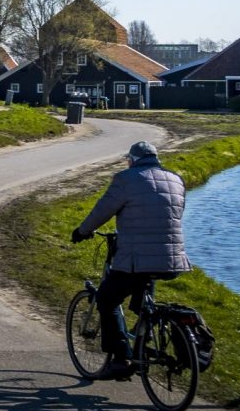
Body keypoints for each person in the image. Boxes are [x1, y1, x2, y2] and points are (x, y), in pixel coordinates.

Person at [71, 140, 191, 381]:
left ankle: (121, 359)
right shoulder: (176, 179)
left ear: (132, 160)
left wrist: (82, 231)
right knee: (142, 297)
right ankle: (143, 335)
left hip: (136, 258)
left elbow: (102, 210)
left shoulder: (126, 179)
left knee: (107, 298)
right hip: (172, 259)